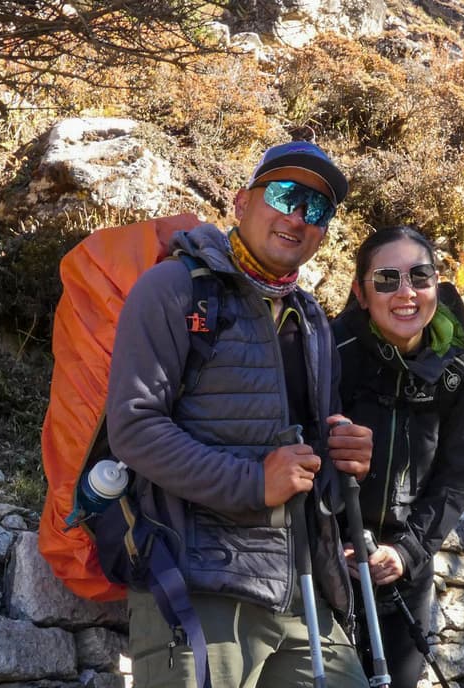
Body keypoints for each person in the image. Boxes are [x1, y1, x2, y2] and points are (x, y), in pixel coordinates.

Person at [104, 140, 375, 688]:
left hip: (302, 587)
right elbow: (134, 426)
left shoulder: (312, 318)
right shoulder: (174, 290)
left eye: (317, 209)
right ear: (240, 202)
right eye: (284, 195)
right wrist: (254, 482)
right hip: (198, 583)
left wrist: (344, 453)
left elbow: (306, 450)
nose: (298, 217)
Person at [332, 226, 464, 688]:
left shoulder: (461, 370)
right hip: (328, 565)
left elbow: (457, 474)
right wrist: (329, 541)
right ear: (361, 292)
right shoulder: (327, 354)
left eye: (420, 277)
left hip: (403, 567)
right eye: (386, 280)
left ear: (437, 284)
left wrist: (406, 552)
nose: (406, 292)